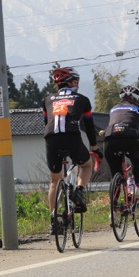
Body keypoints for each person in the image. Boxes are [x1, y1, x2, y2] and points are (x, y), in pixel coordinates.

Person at [43, 67, 101, 234]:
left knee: (54, 181)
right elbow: (89, 127)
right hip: (71, 136)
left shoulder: (47, 99)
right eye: (77, 81)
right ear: (73, 82)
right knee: (86, 165)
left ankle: (53, 219)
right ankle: (79, 192)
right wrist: (95, 148)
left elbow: (46, 122)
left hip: (51, 138)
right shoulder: (82, 99)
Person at [103, 85, 139, 199]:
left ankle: (113, 208)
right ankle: (137, 186)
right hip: (130, 137)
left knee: (115, 173)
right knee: (135, 158)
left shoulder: (113, 108)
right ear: (137, 98)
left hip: (110, 138)